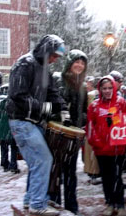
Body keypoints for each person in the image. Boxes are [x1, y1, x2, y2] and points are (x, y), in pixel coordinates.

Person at [6, 34, 67, 216]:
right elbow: (18, 95)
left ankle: (30, 199)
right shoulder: (24, 64)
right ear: (45, 49)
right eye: (54, 55)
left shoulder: (44, 69)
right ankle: (37, 204)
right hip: (22, 121)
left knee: (36, 162)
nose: (55, 59)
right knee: (43, 160)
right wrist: (46, 109)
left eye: (57, 57)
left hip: (33, 121)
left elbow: (52, 92)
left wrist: (64, 111)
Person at [49, 49, 88, 215]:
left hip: (74, 136)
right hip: (57, 135)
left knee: (71, 174)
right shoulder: (58, 80)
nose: (79, 65)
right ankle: (55, 205)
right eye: (76, 62)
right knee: (55, 173)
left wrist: (82, 122)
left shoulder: (83, 86)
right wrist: (59, 115)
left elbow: (84, 110)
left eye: (82, 63)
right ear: (69, 63)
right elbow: (49, 104)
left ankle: (72, 208)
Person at [87, 75, 126, 216]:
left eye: (110, 88)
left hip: (118, 148)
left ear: (114, 88)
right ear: (100, 89)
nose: (107, 91)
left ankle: (120, 204)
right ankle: (110, 203)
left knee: (117, 177)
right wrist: (97, 143)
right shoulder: (94, 105)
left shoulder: (121, 103)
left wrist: (121, 139)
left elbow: (125, 123)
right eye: (104, 88)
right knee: (106, 178)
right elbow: (91, 127)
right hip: (101, 150)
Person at [0, 93, 20, 173]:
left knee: (4, 148)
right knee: (13, 148)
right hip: (11, 129)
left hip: (1, 130)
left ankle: (5, 164)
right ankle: (13, 165)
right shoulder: (11, 104)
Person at [84, 75, 101, 185]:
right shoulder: (92, 96)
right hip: (93, 126)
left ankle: (92, 172)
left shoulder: (91, 95)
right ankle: (94, 173)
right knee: (92, 152)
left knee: (91, 152)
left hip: (92, 126)